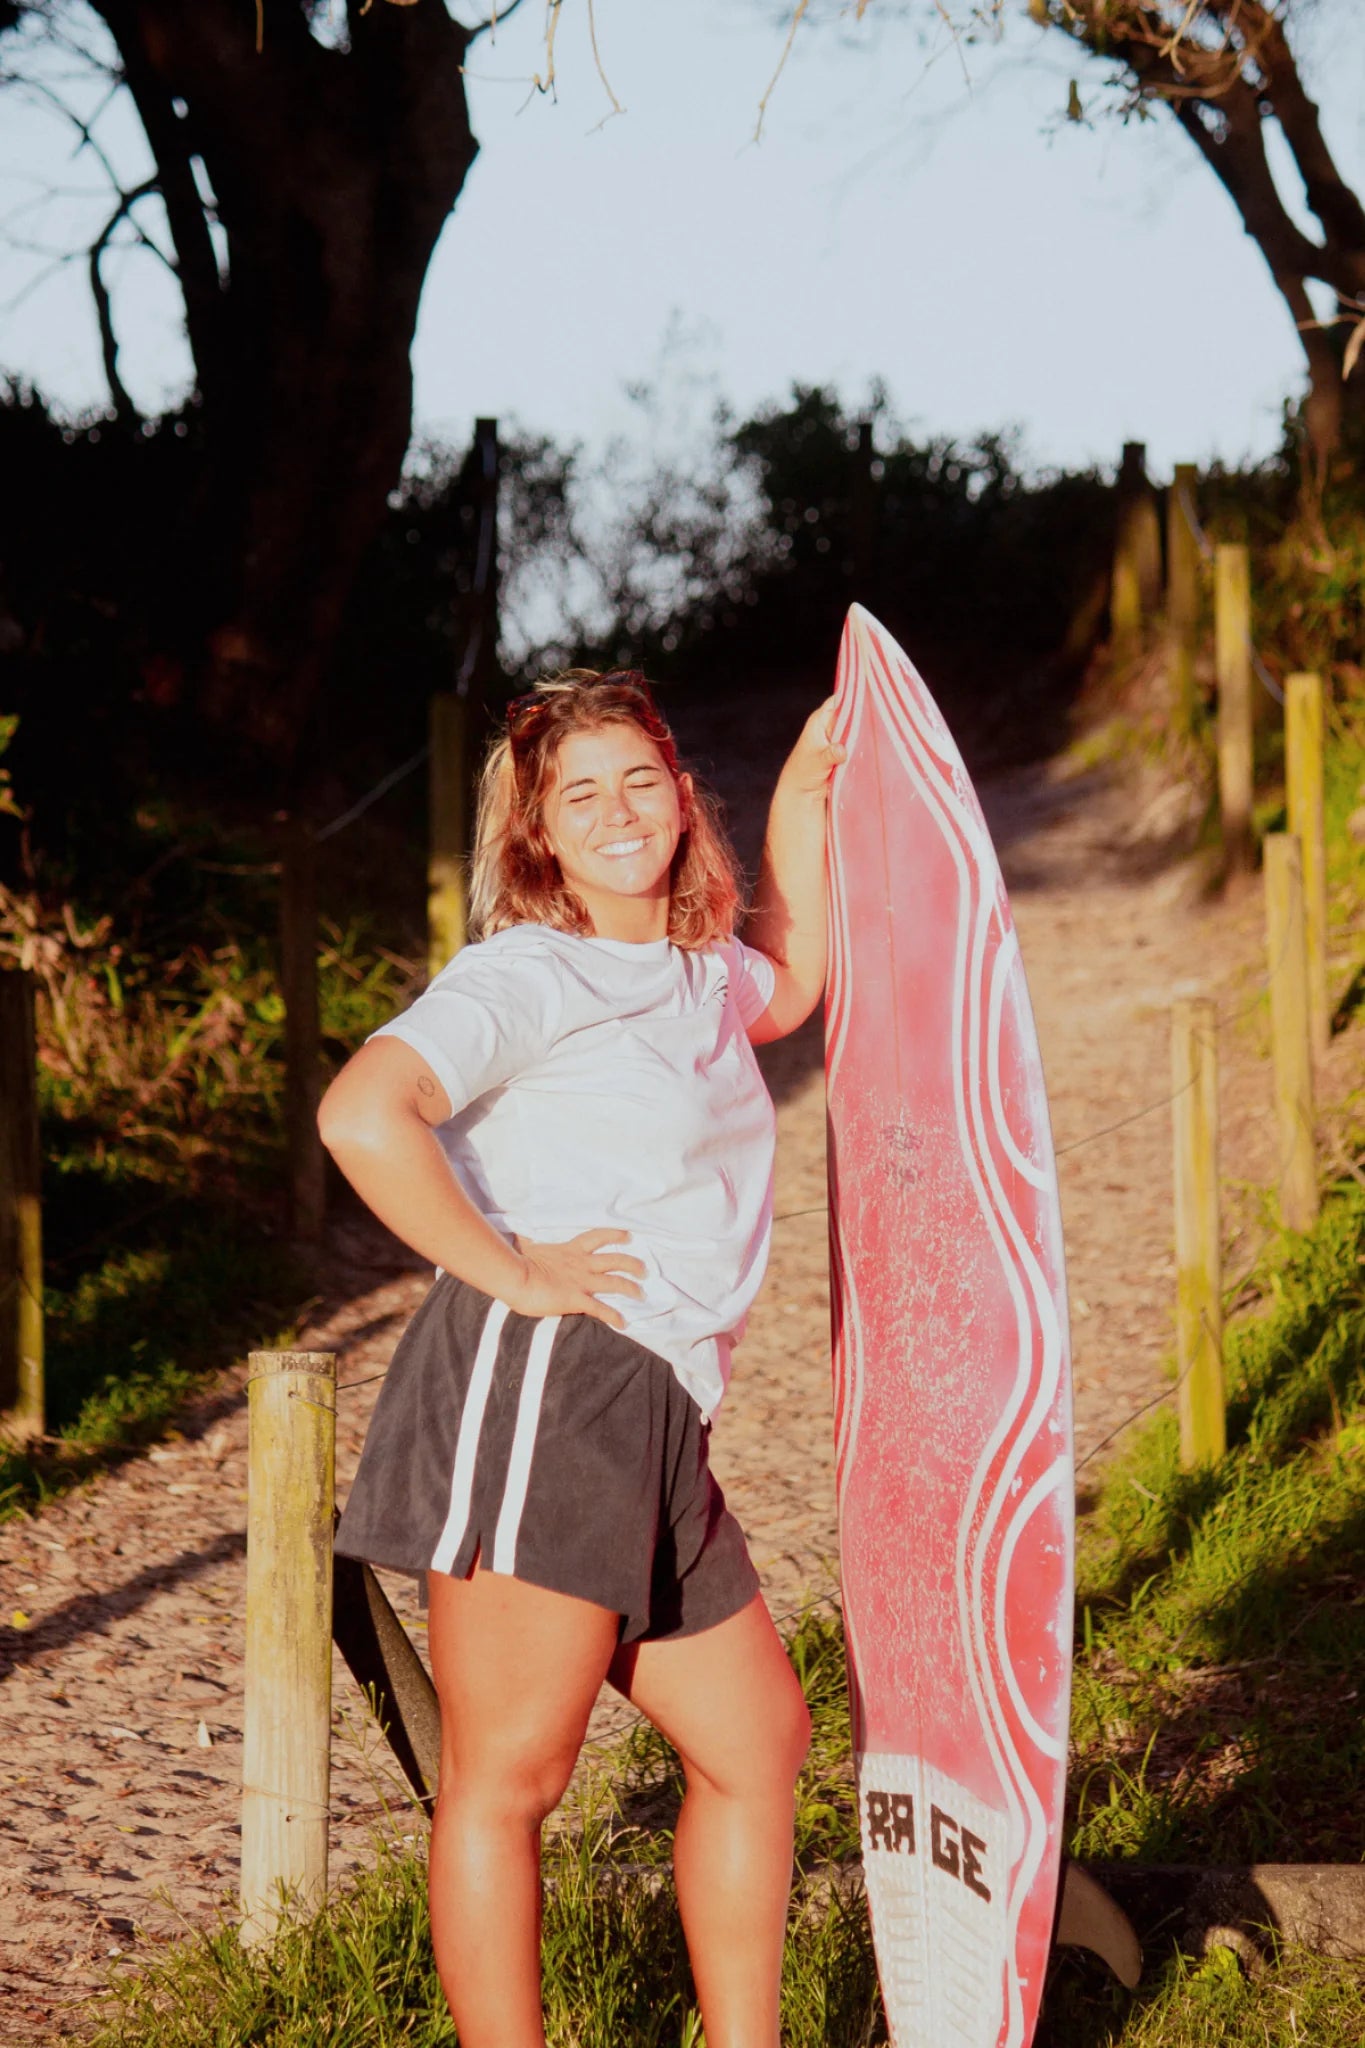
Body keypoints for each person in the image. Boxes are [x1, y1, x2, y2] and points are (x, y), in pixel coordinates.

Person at [318, 668, 844, 2048]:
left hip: (657, 1407)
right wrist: (514, 1269)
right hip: (544, 1383)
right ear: (537, 830)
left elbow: (792, 987)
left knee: (755, 1744)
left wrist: (803, 790)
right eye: (580, 793)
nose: (618, 813)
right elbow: (364, 1112)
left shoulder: (690, 974)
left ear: (681, 796)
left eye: (641, 781)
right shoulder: (525, 972)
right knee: (511, 1778)